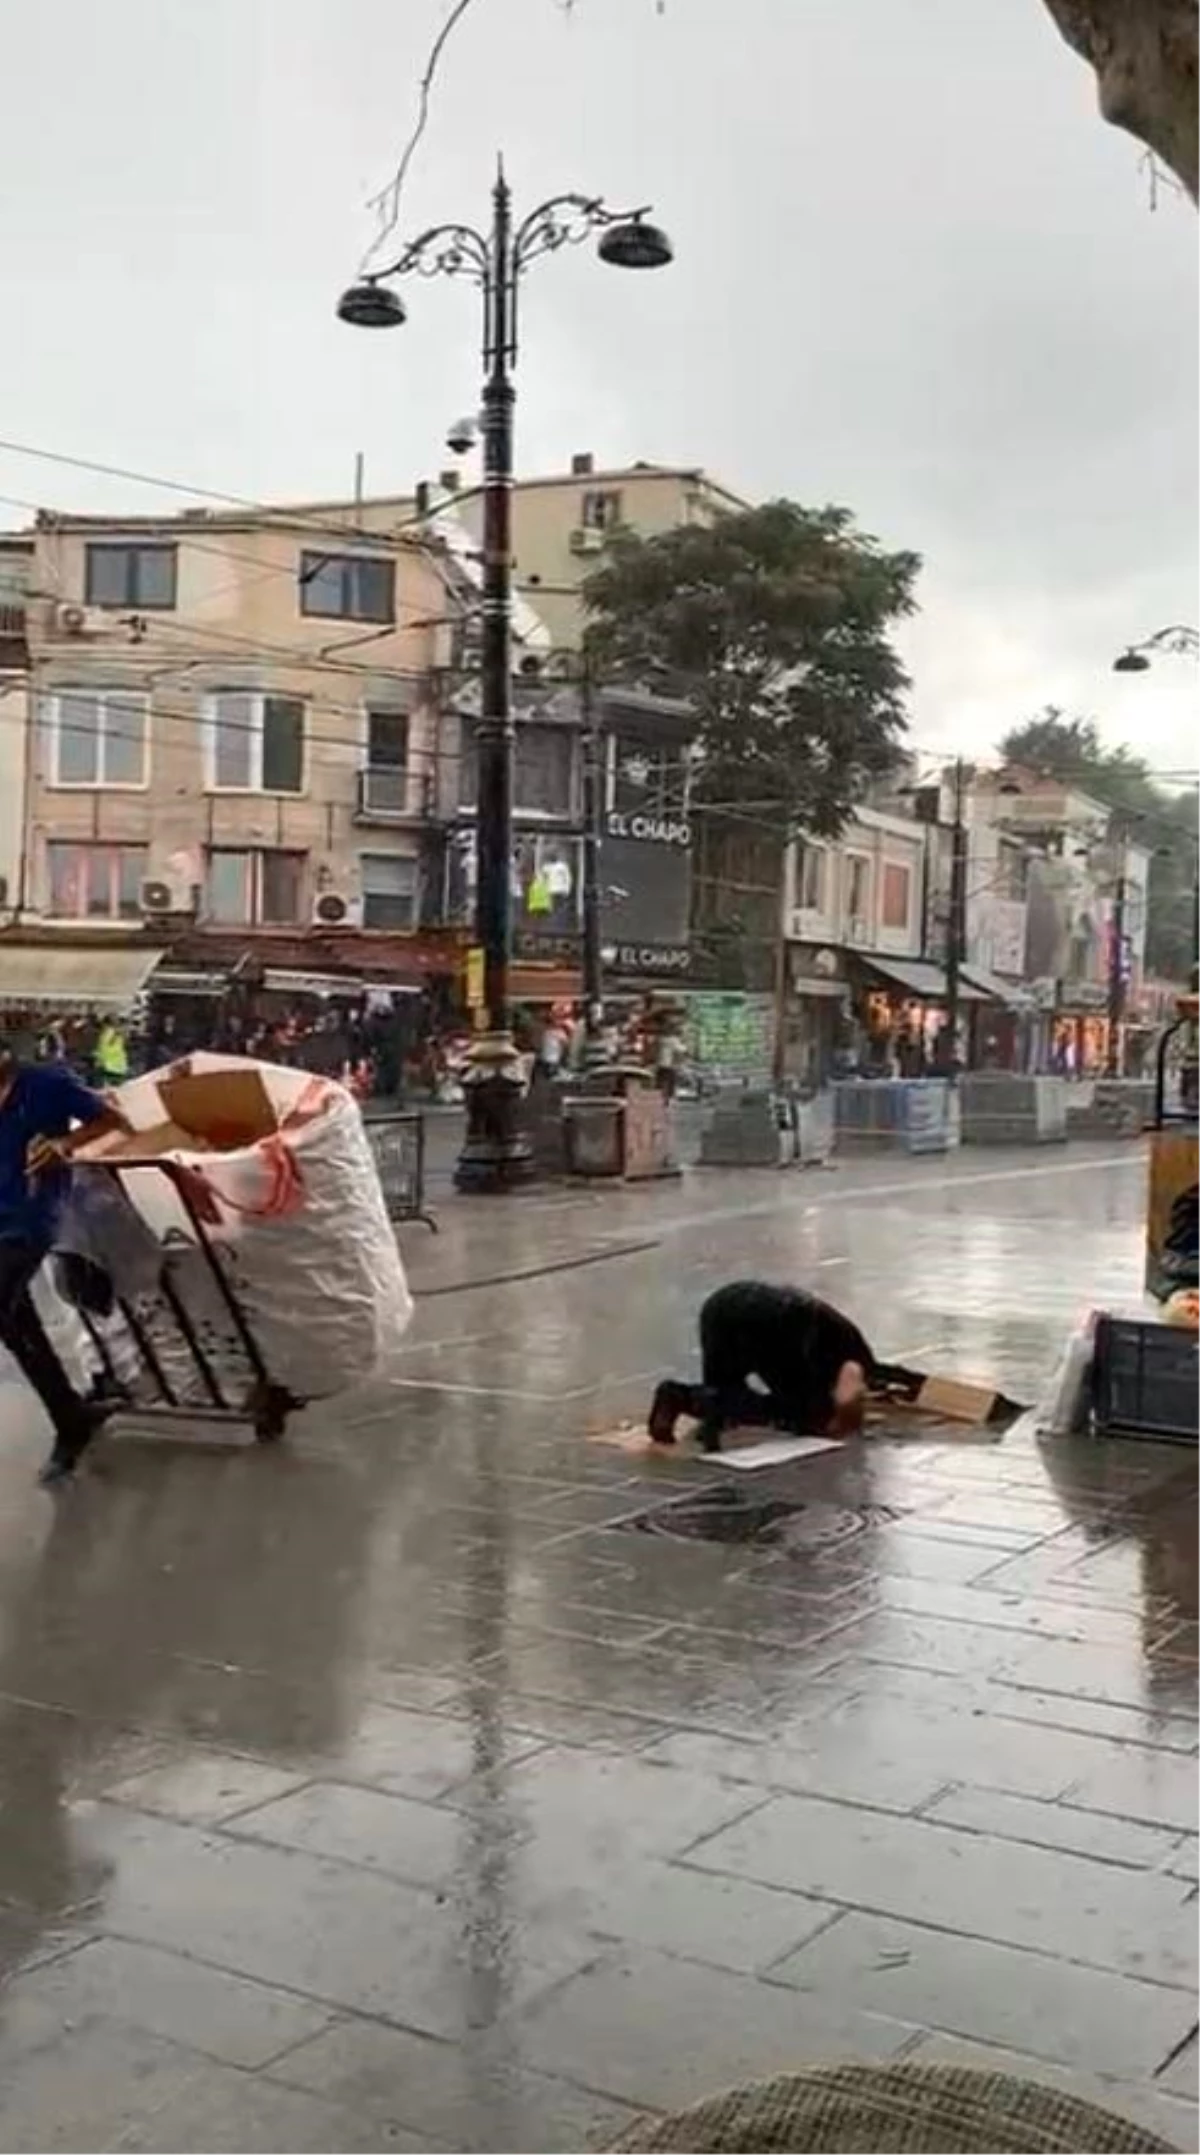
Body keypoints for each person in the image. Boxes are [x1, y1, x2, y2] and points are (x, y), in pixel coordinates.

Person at [0, 1039, 127, 1483]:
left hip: (31, 1220)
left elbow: (113, 1121)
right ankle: (72, 1419)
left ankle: (72, 1419)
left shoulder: (47, 1084)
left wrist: (64, 1143)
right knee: (17, 1328)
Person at [648, 1279, 914, 1453]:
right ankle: (686, 1399)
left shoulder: (841, 1340)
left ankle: (691, 1401)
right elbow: (849, 1395)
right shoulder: (856, 1359)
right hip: (778, 1321)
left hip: (724, 1302)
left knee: (724, 1387)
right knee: (800, 1413)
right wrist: (841, 1425)